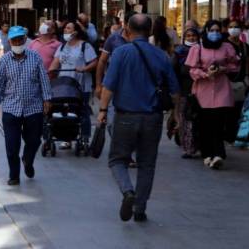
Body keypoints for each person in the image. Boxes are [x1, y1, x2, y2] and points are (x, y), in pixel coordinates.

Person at [97, 14, 180, 223]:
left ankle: (127, 191)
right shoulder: (161, 55)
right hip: (152, 118)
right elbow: (175, 91)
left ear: (127, 29)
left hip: (125, 116)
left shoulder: (120, 53)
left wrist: (102, 111)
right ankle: (140, 208)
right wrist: (175, 114)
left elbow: (109, 85)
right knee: (147, 164)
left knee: (117, 160)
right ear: (150, 30)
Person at [0, 26, 51, 186]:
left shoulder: (35, 58)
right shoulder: (4, 60)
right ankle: (14, 175)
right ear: (10, 42)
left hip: (33, 108)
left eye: (20, 39)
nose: (17, 42)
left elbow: (43, 80)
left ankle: (28, 159)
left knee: (34, 141)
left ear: (25, 40)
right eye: (14, 40)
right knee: (12, 145)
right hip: (11, 109)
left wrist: (47, 99)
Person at [185, 20, 239, 170]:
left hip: (222, 89)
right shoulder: (198, 48)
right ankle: (207, 153)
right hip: (203, 92)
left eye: (217, 30)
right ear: (206, 31)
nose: (215, 33)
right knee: (205, 124)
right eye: (212, 30)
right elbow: (191, 70)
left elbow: (234, 64)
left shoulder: (227, 46)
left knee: (218, 123)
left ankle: (218, 154)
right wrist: (205, 74)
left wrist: (223, 69)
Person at [49, 21, 98, 144]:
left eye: (69, 28)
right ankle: (67, 138)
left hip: (81, 85)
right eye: (65, 28)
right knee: (65, 111)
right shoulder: (62, 46)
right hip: (64, 84)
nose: (65, 30)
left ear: (75, 32)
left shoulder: (85, 46)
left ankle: (85, 137)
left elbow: (94, 62)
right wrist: (50, 71)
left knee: (82, 110)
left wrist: (84, 69)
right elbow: (56, 61)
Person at [95, 12, 133, 139]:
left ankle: (127, 150)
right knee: (111, 122)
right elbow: (102, 61)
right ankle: (121, 147)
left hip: (134, 86)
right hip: (113, 85)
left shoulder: (142, 39)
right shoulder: (114, 38)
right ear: (125, 24)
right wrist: (98, 85)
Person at [172, 28, 200, 158]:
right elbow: (173, 71)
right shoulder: (179, 52)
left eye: (194, 35)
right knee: (186, 119)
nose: (191, 38)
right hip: (184, 90)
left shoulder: (203, 50)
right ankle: (188, 147)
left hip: (201, 90)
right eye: (188, 36)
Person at [226, 20, 248, 146]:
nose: (234, 29)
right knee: (227, 110)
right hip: (225, 82)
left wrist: (246, 79)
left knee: (237, 110)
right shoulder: (224, 44)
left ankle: (234, 136)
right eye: (231, 27)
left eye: (236, 27)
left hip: (240, 83)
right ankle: (227, 135)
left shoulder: (244, 46)